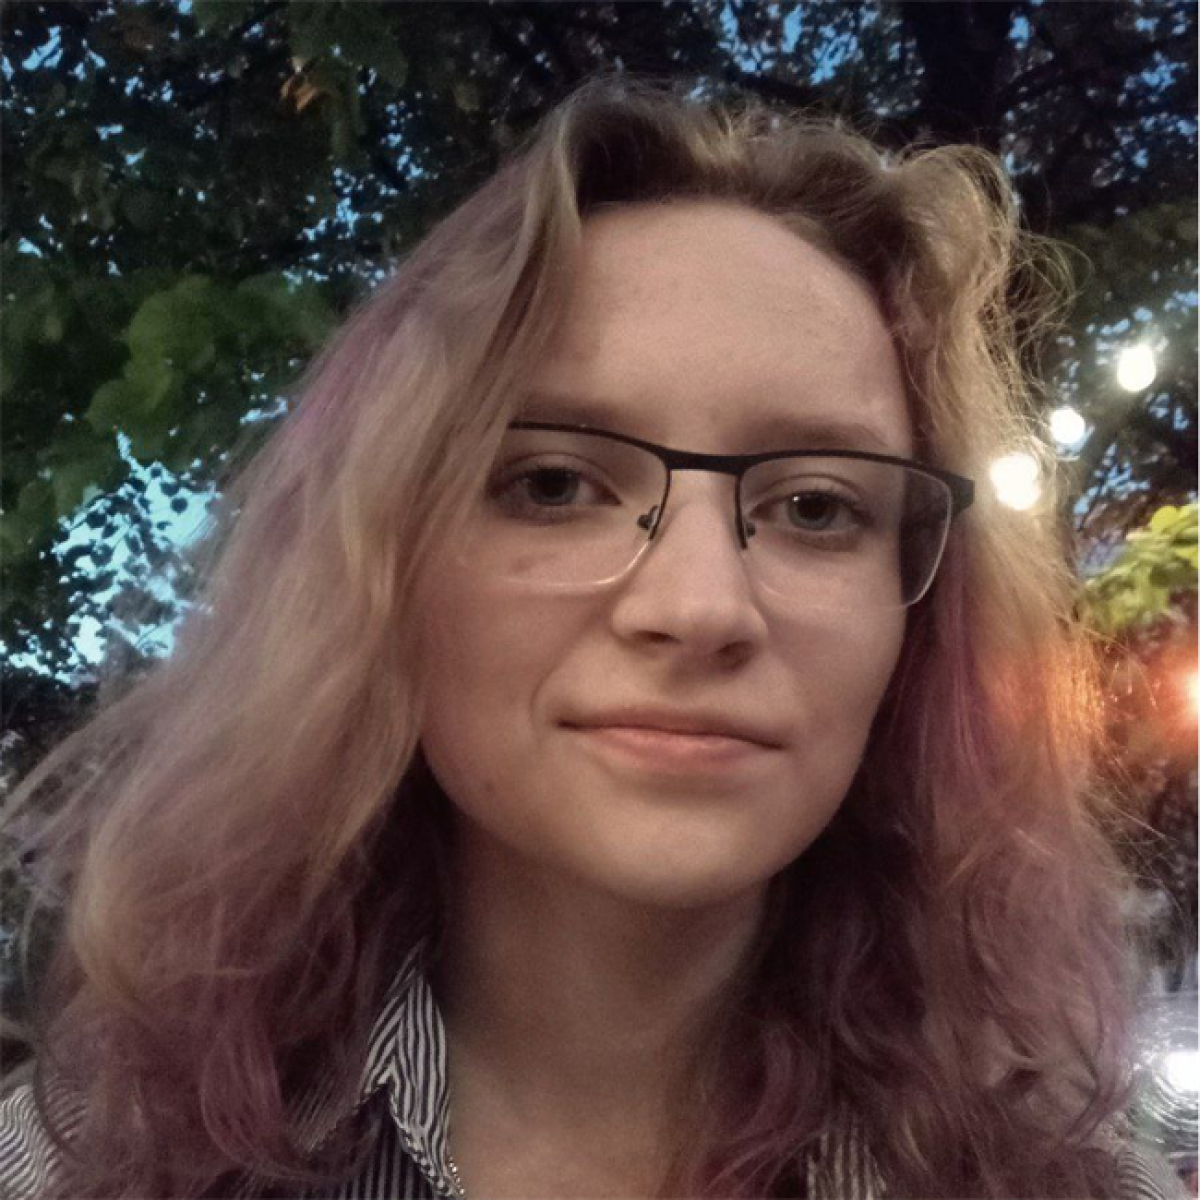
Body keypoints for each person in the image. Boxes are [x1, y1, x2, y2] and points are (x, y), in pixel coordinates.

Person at [0, 76, 1188, 1200]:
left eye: (818, 507)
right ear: (383, 566)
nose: (701, 607)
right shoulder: (90, 1166)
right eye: (556, 484)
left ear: (916, 615)